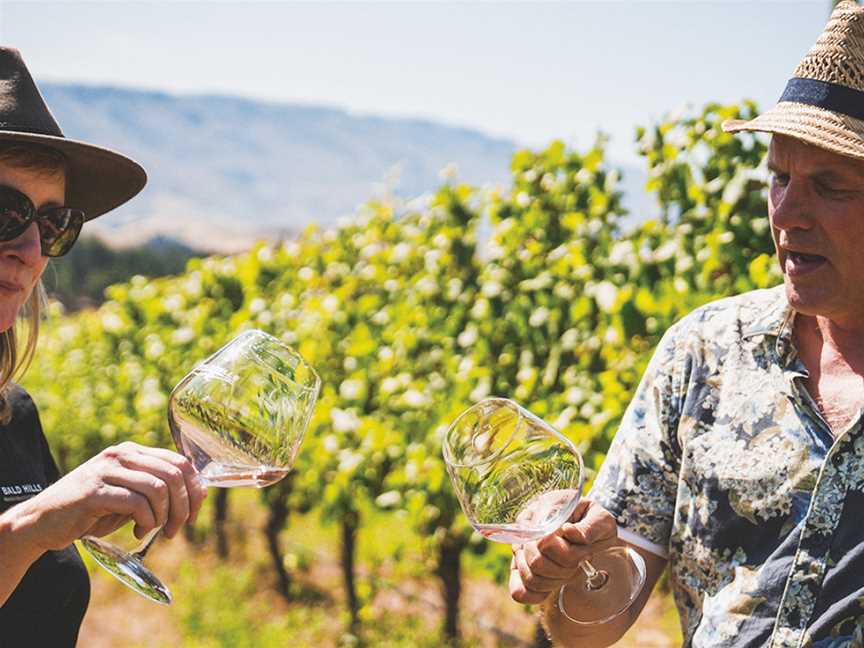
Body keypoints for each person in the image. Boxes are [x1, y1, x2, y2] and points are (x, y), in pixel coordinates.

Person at [510, 2, 864, 646]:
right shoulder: (705, 351)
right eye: (778, 177)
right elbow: (590, 623)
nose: (788, 214)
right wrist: (569, 567)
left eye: (831, 187)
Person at [0, 48, 207, 646]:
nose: (33, 250)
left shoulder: (13, 414)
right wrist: (34, 525)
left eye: (53, 223)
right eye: (2, 212)